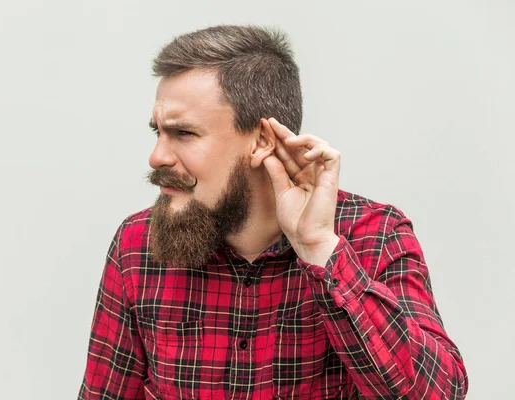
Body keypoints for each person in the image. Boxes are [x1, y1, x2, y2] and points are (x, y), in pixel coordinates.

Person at [78, 25, 468, 400]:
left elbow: (438, 392)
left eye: (183, 133)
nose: (157, 156)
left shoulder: (374, 234)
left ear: (262, 140)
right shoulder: (136, 244)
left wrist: (318, 248)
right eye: (157, 132)